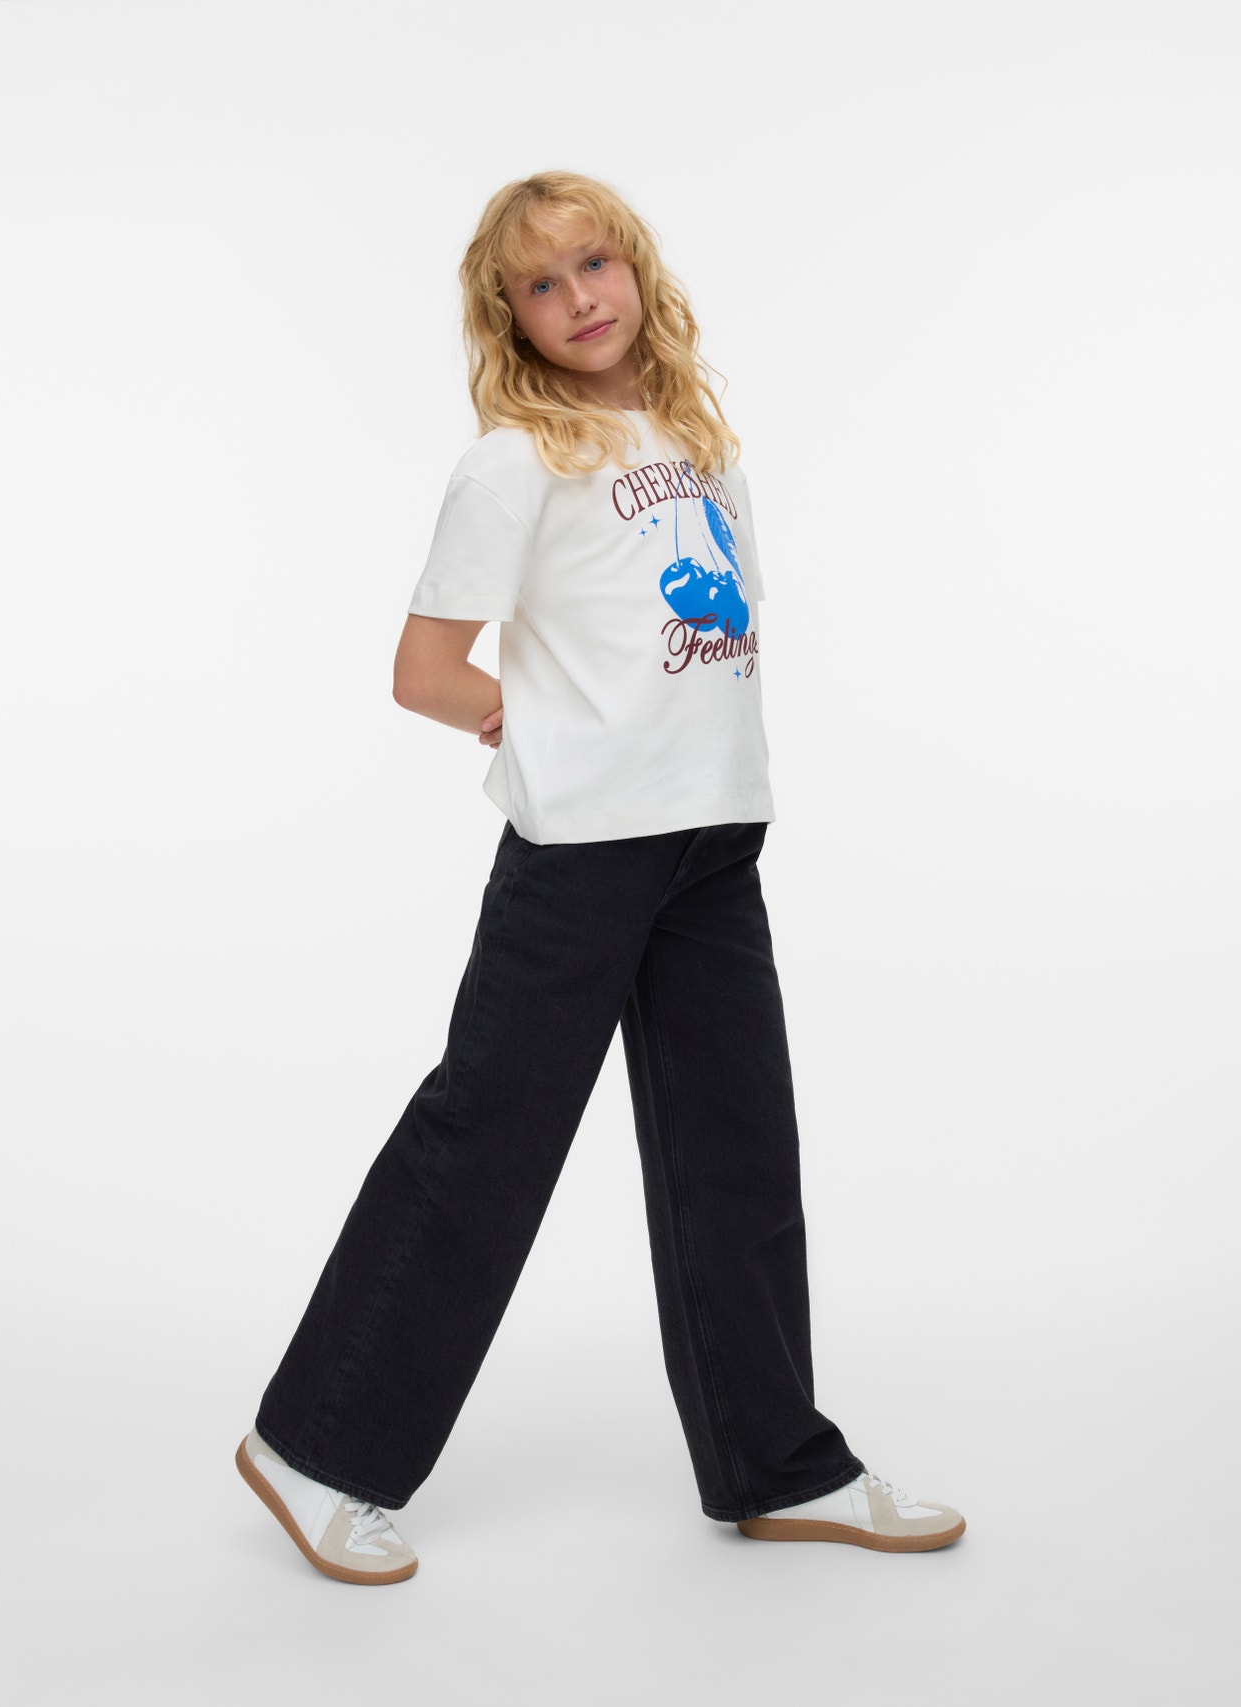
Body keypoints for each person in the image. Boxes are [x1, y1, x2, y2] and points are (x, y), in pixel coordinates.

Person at [236, 170, 965, 1585]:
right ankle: (314, 1448)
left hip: (714, 839)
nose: (579, 299)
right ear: (507, 315)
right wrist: (539, 725)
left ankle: (779, 1464)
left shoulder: (695, 435)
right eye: (542, 283)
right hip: (581, 855)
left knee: (738, 1154)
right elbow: (425, 671)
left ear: (637, 269)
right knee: (487, 1145)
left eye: (596, 265)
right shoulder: (515, 460)